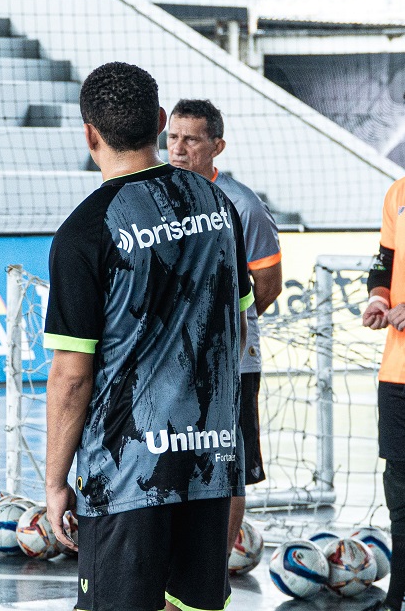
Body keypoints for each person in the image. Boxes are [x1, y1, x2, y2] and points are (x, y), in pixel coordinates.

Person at [43, 62, 253, 611]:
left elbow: (70, 375)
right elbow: (242, 316)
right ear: (161, 122)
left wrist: (55, 481)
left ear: (89, 133)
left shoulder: (86, 230)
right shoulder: (219, 207)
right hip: (210, 465)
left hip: (127, 472)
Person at [167, 99, 283, 552]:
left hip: (235, 363)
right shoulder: (157, 193)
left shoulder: (244, 205)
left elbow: (267, 287)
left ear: (217, 146)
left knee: (229, 464)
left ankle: (216, 562)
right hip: (173, 361)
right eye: (173, 137)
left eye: (191, 140)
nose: (178, 149)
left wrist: (223, 335)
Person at [362, 174, 405, 611]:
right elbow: (383, 265)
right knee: (400, 489)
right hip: (397, 374)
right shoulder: (398, 193)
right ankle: (400, 595)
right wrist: (378, 299)